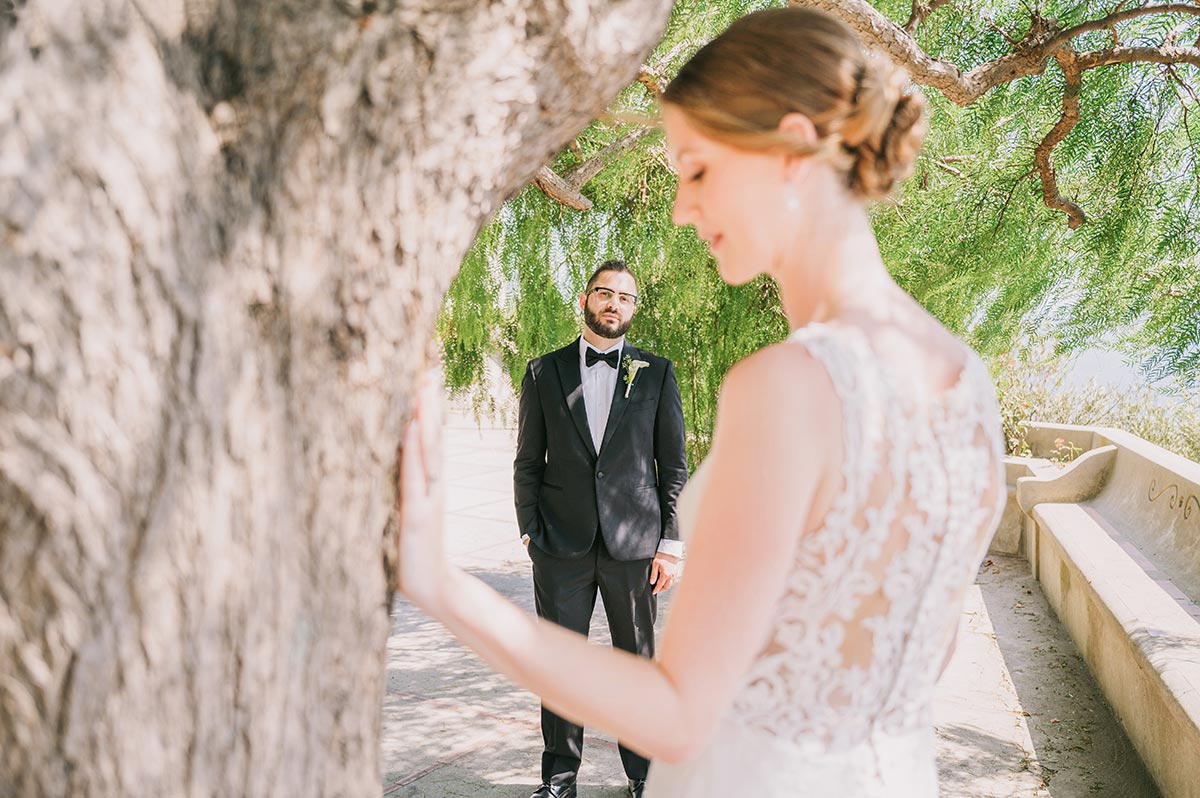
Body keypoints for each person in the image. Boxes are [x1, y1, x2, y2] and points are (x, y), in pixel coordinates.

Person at [394, 7, 1006, 797]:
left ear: (788, 148)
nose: (682, 209)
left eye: (698, 169)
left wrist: (436, 582)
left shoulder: (787, 386)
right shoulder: (966, 381)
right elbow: (924, 652)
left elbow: (677, 716)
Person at [513, 259, 688, 798]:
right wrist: (530, 531)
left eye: (625, 297)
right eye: (604, 293)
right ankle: (559, 780)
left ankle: (643, 777)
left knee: (635, 666)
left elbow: (673, 466)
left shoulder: (657, 373)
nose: (614, 303)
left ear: (634, 309)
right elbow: (527, 462)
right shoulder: (544, 371)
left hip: (635, 548)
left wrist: (671, 546)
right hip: (559, 546)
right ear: (585, 300)